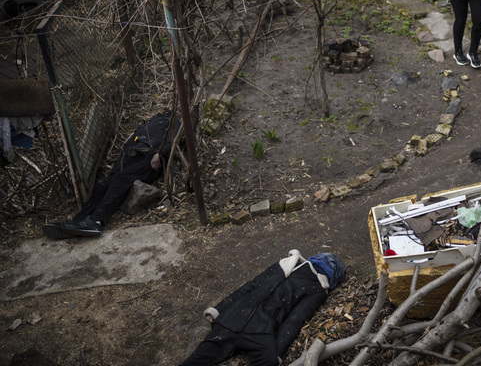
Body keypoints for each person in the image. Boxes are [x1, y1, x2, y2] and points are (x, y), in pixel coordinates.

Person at [180, 250, 345, 366]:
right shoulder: (317, 289)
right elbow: (294, 321)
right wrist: (278, 353)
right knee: (269, 360)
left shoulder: (284, 264)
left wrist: (218, 310)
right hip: (260, 331)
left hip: (231, 320)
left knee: (197, 359)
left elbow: (250, 286)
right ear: (333, 279)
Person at [42, 111, 180, 239]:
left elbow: (175, 139)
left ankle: (97, 220)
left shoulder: (172, 122)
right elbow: (128, 147)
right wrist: (116, 170)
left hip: (150, 161)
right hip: (134, 157)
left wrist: (159, 153)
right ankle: (77, 222)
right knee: (103, 186)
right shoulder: (146, 125)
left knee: (120, 180)